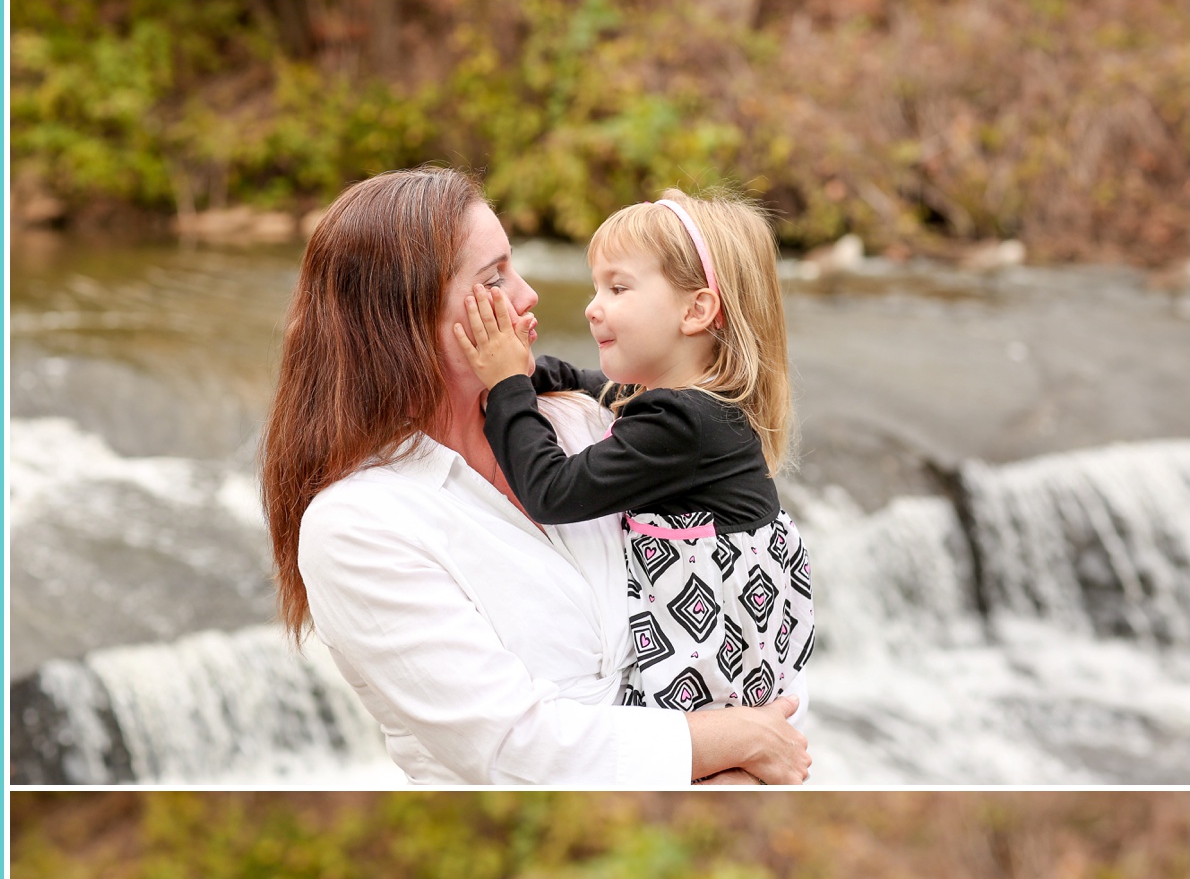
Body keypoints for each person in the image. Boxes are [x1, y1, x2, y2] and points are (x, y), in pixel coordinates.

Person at [260, 168, 811, 788]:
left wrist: (754, 749)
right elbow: (516, 749)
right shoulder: (359, 526)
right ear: (402, 320)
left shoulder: (590, 422)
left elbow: (751, 604)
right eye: (493, 279)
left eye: (514, 268)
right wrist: (725, 746)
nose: (528, 295)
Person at [451, 189, 813, 718]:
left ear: (696, 310)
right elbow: (587, 382)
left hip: (706, 671)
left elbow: (552, 490)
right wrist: (530, 370)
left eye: (617, 287)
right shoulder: (697, 398)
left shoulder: (681, 424)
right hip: (739, 656)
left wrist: (507, 385)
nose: (592, 308)